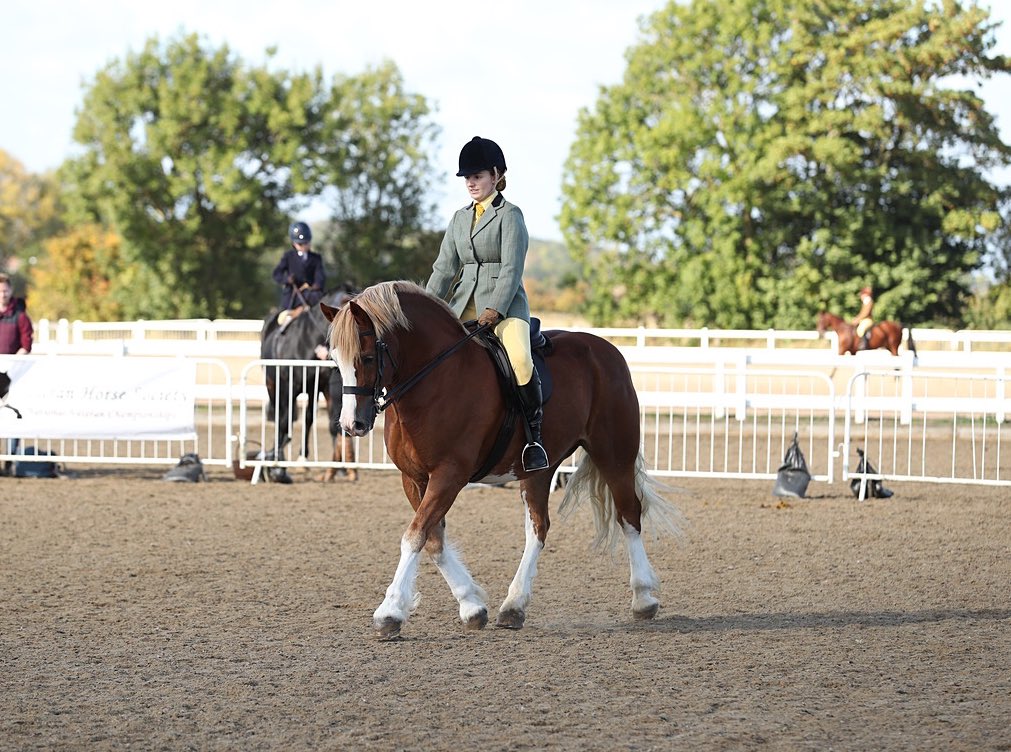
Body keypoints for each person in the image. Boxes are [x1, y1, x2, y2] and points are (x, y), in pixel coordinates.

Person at [426, 136, 548, 472]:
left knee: (521, 361)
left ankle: (534, 438)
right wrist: (424, 308)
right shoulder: (459, 219)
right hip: (464, 302)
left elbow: (511, 268)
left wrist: (495, 308)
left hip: (506, 305)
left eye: (477, 176)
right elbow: (443, 269)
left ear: (496, 175)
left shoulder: (510, 215)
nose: (470, 182)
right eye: (467, 177)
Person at [271, 221, 325, 331]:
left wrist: (316, 285)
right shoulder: (288, 256)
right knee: (282, 318)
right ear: (294, 244)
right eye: (301, 244)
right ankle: (281, 332)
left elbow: (320, 275)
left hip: (311, 294)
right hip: (293, 295)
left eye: (306, 243)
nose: (304, 246)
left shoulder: (316, 258)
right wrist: (287, 279)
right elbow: (277, 274)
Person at [0, 274, 33, 355]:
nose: (2, 295)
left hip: (13, 365)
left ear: (11, 290)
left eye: (5, 291)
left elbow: (26, 344)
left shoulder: (20, 315)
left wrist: (14, 361)